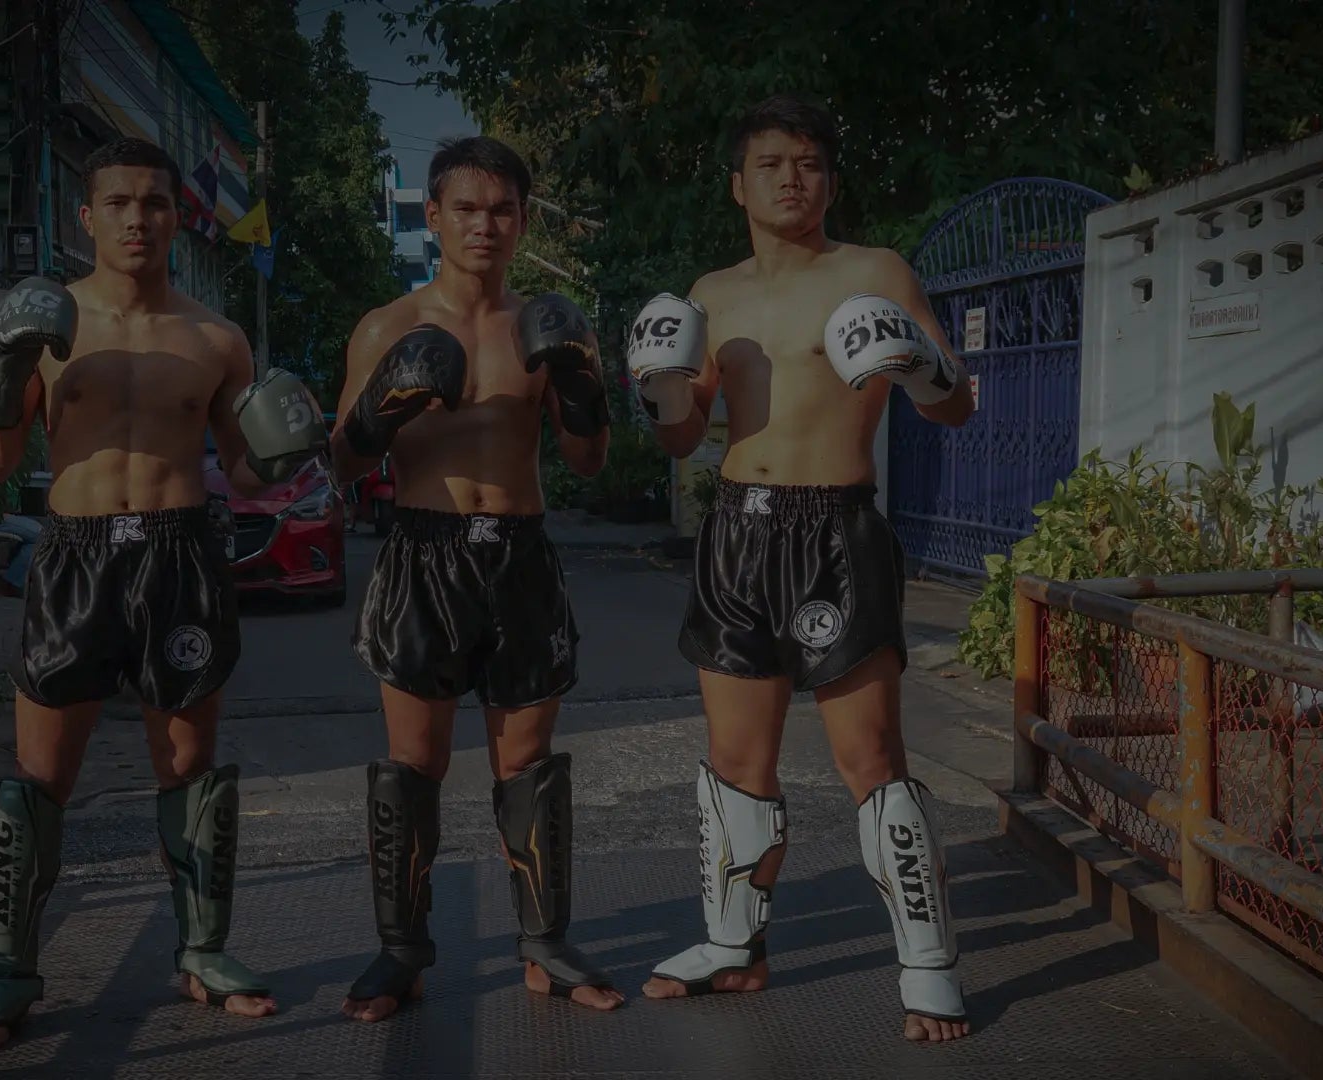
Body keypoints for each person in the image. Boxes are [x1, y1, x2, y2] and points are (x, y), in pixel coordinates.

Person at [0, 136, 326, 1053]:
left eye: (153, 203)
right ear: (88, 216)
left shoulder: (215, 337)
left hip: (179, 553)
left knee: (189, 769)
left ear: (175, 216)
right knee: (41, 779)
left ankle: (202, 952)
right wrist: (2, 379)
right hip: (75, 555)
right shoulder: (44, 326)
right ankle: (9, 974)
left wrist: (290, 440)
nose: (136, 219)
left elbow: (246, 467)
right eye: (117, 202)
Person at [623, 95, 976, 1042]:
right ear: (739, 182)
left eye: (811, 162)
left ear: (831, 177)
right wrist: (656, 392)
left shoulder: (875, 272)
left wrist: (922, 369)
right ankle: (734, 949)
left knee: (873, 764)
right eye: (772, 162)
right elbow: (685, 435)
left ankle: (928, 962)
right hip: (739, 528)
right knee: (737, 764)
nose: (792, 177)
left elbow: (957, 408)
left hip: (836, 529)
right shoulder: (714, 292)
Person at [327, 135, 623, 1022]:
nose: (485, 225)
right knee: (415, 761)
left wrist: (578, 386)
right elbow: (339, 463)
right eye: (467, 209)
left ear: (522, 220)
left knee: (526, 760)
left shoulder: (551, 322)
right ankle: (401, 953)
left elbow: (591, 459)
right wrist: (383, 409)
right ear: (436, 217)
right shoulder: (388, 327)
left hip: (521, 551)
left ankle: (543, 946)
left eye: (502, 210)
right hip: (425, 550)